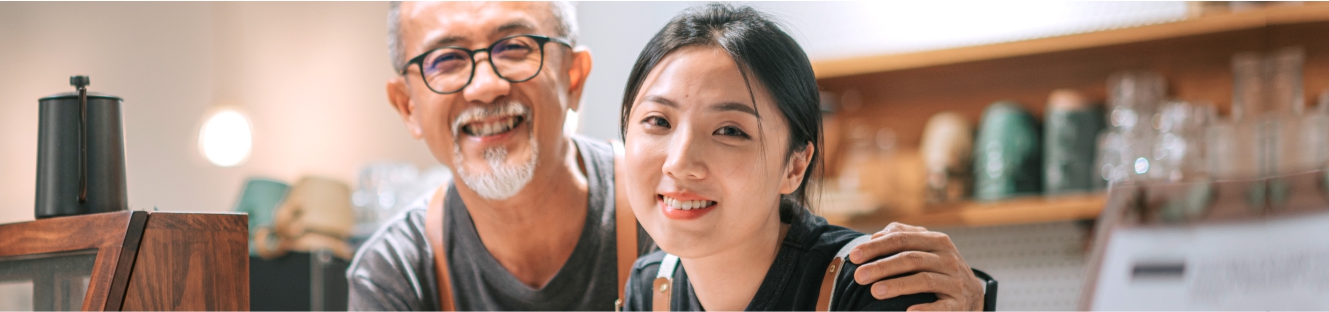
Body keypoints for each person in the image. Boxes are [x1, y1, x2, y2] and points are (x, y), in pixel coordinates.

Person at [350, 2, 988, 310]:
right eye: (445, 59)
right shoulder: (653, 286)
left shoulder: (861, 288)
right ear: (405, 105)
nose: (681, 161)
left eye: (514, 46)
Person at [613, 4, 992, 311]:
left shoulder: (874, 290)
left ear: (795, 166)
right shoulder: (651, 287)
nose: (679, 162)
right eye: (658, 120)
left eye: (730, 130)